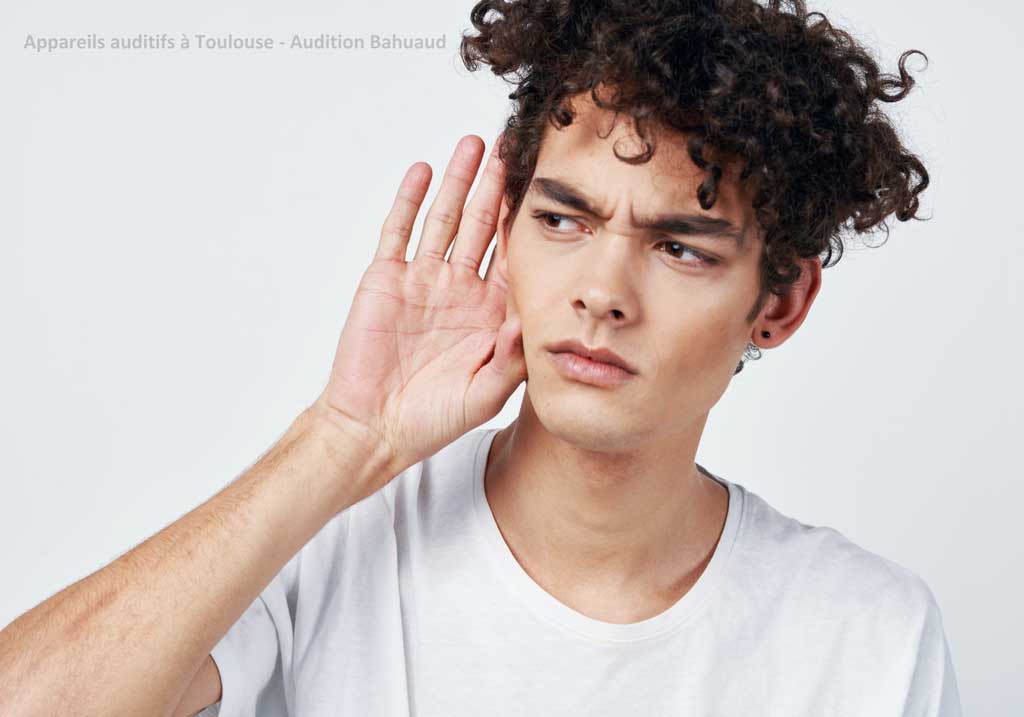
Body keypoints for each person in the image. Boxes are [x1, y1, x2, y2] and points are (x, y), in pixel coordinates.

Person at [0, 1, 962, 715]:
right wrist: (340, 439)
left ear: (779, 303)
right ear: (507, 230)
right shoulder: (330, 542)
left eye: (680, 246)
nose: (602, 291)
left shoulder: (869, 636)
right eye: (563, 219)